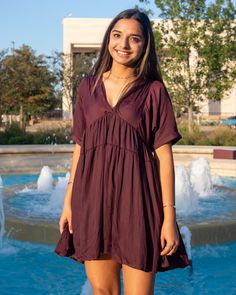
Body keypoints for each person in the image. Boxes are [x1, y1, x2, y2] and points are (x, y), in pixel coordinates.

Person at [55, 8, 190, 295]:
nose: (123, 44)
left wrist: (169, 218)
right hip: (92, 200)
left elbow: (164, 156)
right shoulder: (88, 88)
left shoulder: (154, 91)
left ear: (145, 46)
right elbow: (80, 147)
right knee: (103, 291)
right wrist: (68, 202)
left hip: (138, 203)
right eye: (117, 35)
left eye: (134, 38)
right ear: (108, 39)